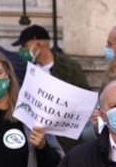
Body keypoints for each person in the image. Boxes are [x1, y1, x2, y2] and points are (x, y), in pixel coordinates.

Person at [12, 24, 90, 153]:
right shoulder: (26, 70)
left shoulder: (69, 68)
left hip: (66, 138)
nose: (21, 51)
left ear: (37, 44)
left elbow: (84, 98)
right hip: (37, 137)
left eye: (24, 47)